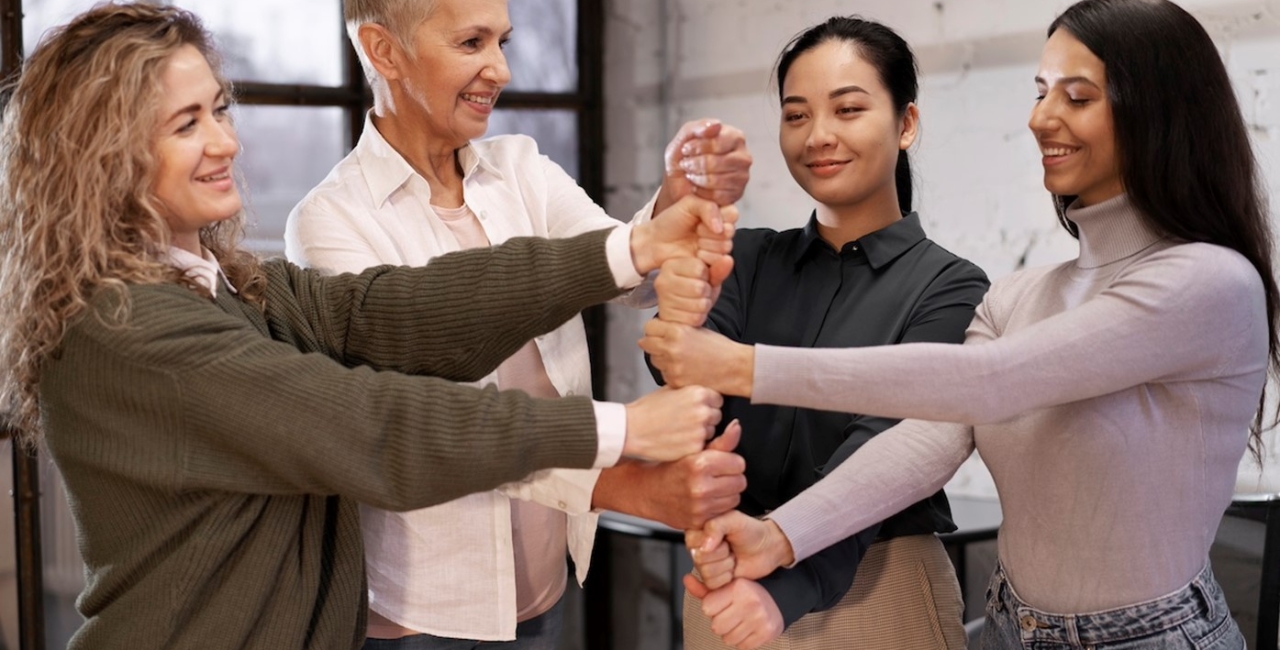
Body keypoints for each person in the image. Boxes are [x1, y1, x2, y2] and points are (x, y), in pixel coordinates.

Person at [0, 4, 738, 649]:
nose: (226, 143)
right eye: (185, 124)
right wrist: (621, 433)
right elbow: (369, 425)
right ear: (102, 158)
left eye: (218, 110)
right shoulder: (131, 327)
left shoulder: (223, 288)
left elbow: (389, 311)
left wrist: (634, 246)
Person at [646, 0, 1278, 648]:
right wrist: (782, 535)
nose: (1040, 118)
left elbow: (989, 381)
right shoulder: (1020, 294)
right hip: (1009, 626)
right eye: (1040, 92)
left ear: (1159, 109)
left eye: (1077, 96)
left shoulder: (1210, 283)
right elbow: (927, 440)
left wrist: (744, 365)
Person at [286, 0, 753, 647]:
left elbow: (627, 271)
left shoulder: (520, 169)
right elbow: (441, 429)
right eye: (472, 42)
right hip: (424, 619)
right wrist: (630, 477)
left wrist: (676, 202)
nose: (500, 68)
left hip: (543, 592)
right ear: (383, 50)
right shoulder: (329, 225)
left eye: (503, 40)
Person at [644, 16, 988, 650]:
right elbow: (684, 387)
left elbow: (883, 452)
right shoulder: (743, 260)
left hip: (877, 592)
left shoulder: (952, 287)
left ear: (906, 123)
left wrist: (785, 588)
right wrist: (679, 276)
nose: (818, 136)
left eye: (848, 109)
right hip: (726, 587)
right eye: (796, 115)